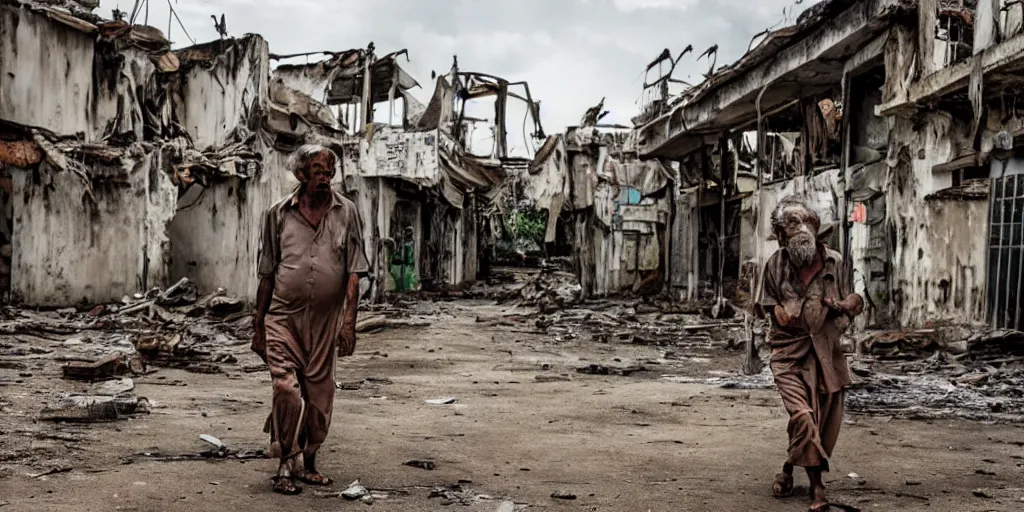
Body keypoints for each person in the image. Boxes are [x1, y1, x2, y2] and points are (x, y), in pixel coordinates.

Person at [251, 144, 370, 495]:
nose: (325, 177)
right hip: (282, 317)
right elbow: (267, 274)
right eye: (317, 170)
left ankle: (310, 462)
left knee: (320, 396)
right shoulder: (277, 214)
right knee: (285, 388)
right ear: (301, 174)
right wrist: (258, 326)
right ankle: (286, 462)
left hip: (325, 321)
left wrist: (349, 324)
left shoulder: (346, 212)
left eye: (329, 170)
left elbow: (353, 273)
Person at [754, 197, 864, 512]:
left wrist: (847, 307)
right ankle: (818, 489)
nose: (801, 229)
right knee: (802, 415)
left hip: (826, 354)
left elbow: (851, 304)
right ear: (781, 234)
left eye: (806, 222)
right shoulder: (775, 265)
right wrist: (780, 312)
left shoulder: (835, 262)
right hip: (788, 354)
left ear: (815, 226)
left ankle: (788, 470)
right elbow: (767, 306)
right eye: (792, 223)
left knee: (818, 421)